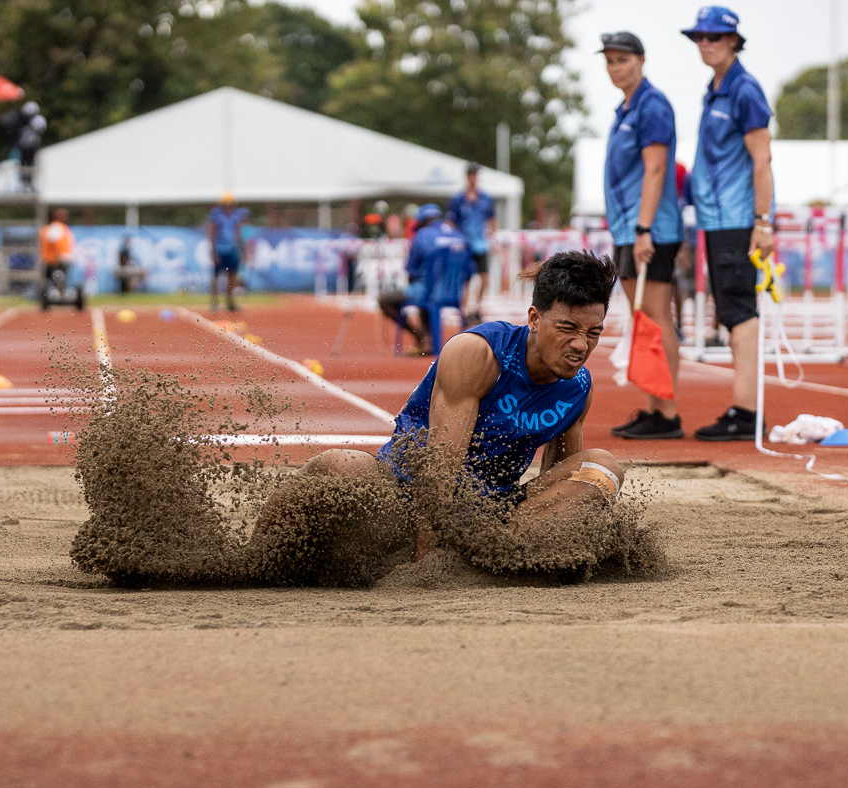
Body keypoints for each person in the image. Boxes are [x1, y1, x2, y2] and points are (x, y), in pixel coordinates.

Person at [255, 250, 625, 560]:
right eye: (568, 329)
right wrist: (429, 564)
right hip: (401, 497)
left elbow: (558, 493)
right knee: (342, 465)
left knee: (602, 469)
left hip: (487, 517)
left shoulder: (577, 387)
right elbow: (439, 470)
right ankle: (255, 555)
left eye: (593, 333)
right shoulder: (478, 354)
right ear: (534, 318)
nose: (580, 345)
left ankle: (497, 556)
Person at [683, 6, 774, 441]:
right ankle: (742, 408)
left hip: (738, 221)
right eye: (699, 37)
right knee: (730, 311)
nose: (705, 44)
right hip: (716, 221)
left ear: (734, 40)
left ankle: (747, 412)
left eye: (714, 37)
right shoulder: (715, 88)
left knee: (740, 313)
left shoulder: (745, 90)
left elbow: (763, 160)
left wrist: (762, 221)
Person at [597, 31, 686, 441]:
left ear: (641, 60)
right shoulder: (627, 108)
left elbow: (655, 169)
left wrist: (645, 229)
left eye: (622, 60)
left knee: (654, 317)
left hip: (650, 229)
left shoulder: (652, 106)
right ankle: (653, 406)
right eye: (610, 61)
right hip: (630, 228)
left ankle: (666, 412)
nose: (616, 68)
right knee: (642, 320)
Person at [378, 203, 444, 354]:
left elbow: (410, 270)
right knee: (428, 297)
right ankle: (430, 339)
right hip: (452, 292)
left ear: (422, 220)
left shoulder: (420, 237)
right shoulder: (455, 234)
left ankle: (421, 336)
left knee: (384, 299)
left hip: (425, 290)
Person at [447, 162, 496, 325]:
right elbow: (451, 222)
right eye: (472, 175)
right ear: (467, 177)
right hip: (464, 244)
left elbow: (491, 220)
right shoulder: (458, 199)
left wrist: (493, 240)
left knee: (484, 276)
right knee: (465, 279)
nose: (474, 178)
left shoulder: (486, 198)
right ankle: (466, 309)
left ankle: (477, 308)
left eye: (476, 175)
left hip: (480, 243)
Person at [205, 192, 250, 313]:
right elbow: (212, 232)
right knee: (216, 276)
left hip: (232, 249)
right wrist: (213, 251)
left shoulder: (235, 215)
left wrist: (241, 249)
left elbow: (238, 232)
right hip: (220, 249)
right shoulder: (216, 215)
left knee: (232, 276)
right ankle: (214, 302)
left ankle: (230, 302)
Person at [40, 207, 75, 288]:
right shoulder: (56, 227)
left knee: (58, 281)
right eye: (63, 215)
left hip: (57, 260)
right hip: (57, 261)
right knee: (57, 282)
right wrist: (57, 258)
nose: (66, 217)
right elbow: (53, 242)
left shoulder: (59, 227)